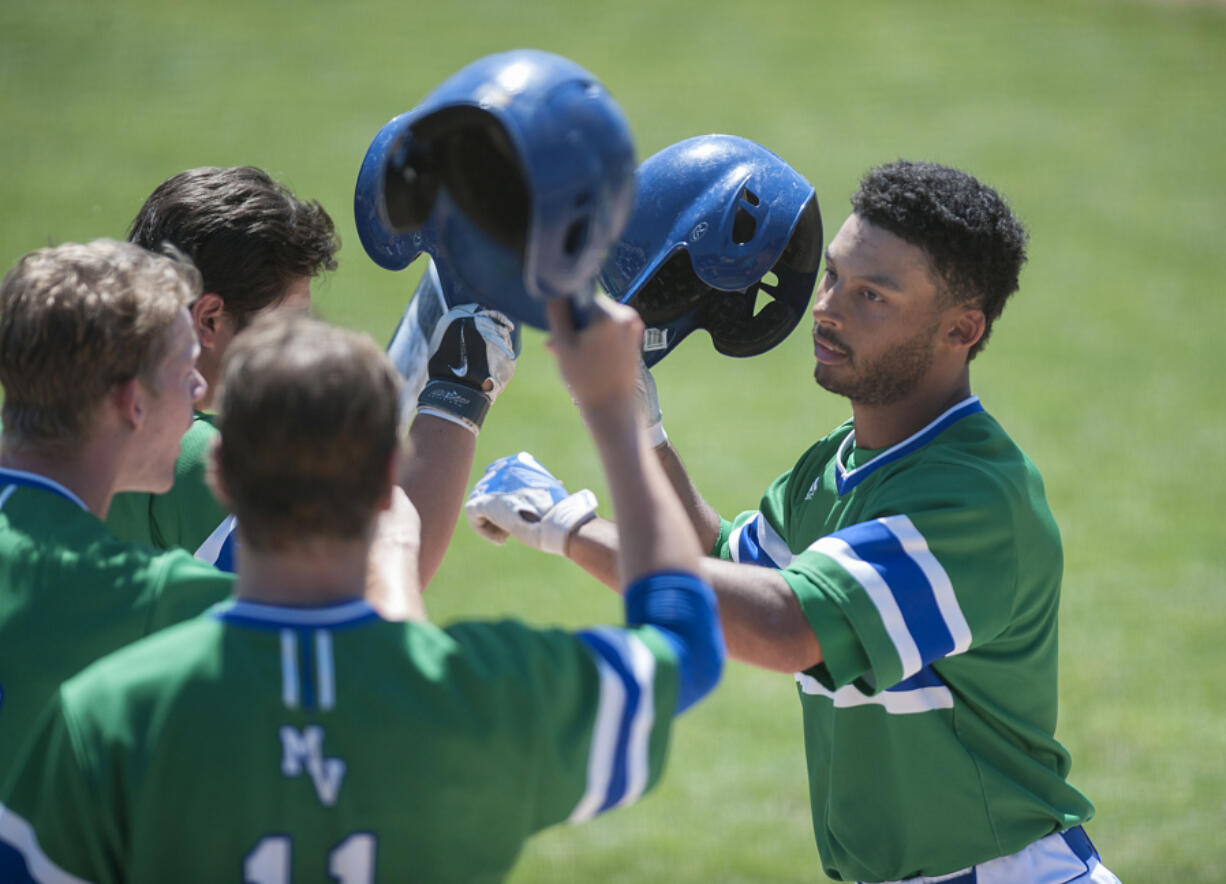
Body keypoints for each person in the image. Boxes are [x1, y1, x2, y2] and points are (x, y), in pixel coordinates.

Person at [465, 161, 1119, 883]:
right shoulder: (833, 466)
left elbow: (782, 628)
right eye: (835, 276)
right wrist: (644, 423)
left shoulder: (974, 499)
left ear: (961, 328)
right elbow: (723, 569)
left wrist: (564, 525)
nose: (829, 308)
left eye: (873, 295)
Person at [0, 304, 724, 883]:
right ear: (389, 479)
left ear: (219, 471)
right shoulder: (487, 694)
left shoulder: (110, 714)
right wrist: (615, 416)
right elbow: (686, 646)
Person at [0, 239, 235, 771]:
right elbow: (349, 645)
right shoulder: (138, 595)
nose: (200, 389)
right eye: (185, 372)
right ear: (132, 403)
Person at [104, 165, 340, 556]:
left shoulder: (56, 410)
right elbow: (365, 592)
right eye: (287, 327)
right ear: (209, 320)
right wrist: (455, 396)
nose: (299, 349)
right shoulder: (198, 456)